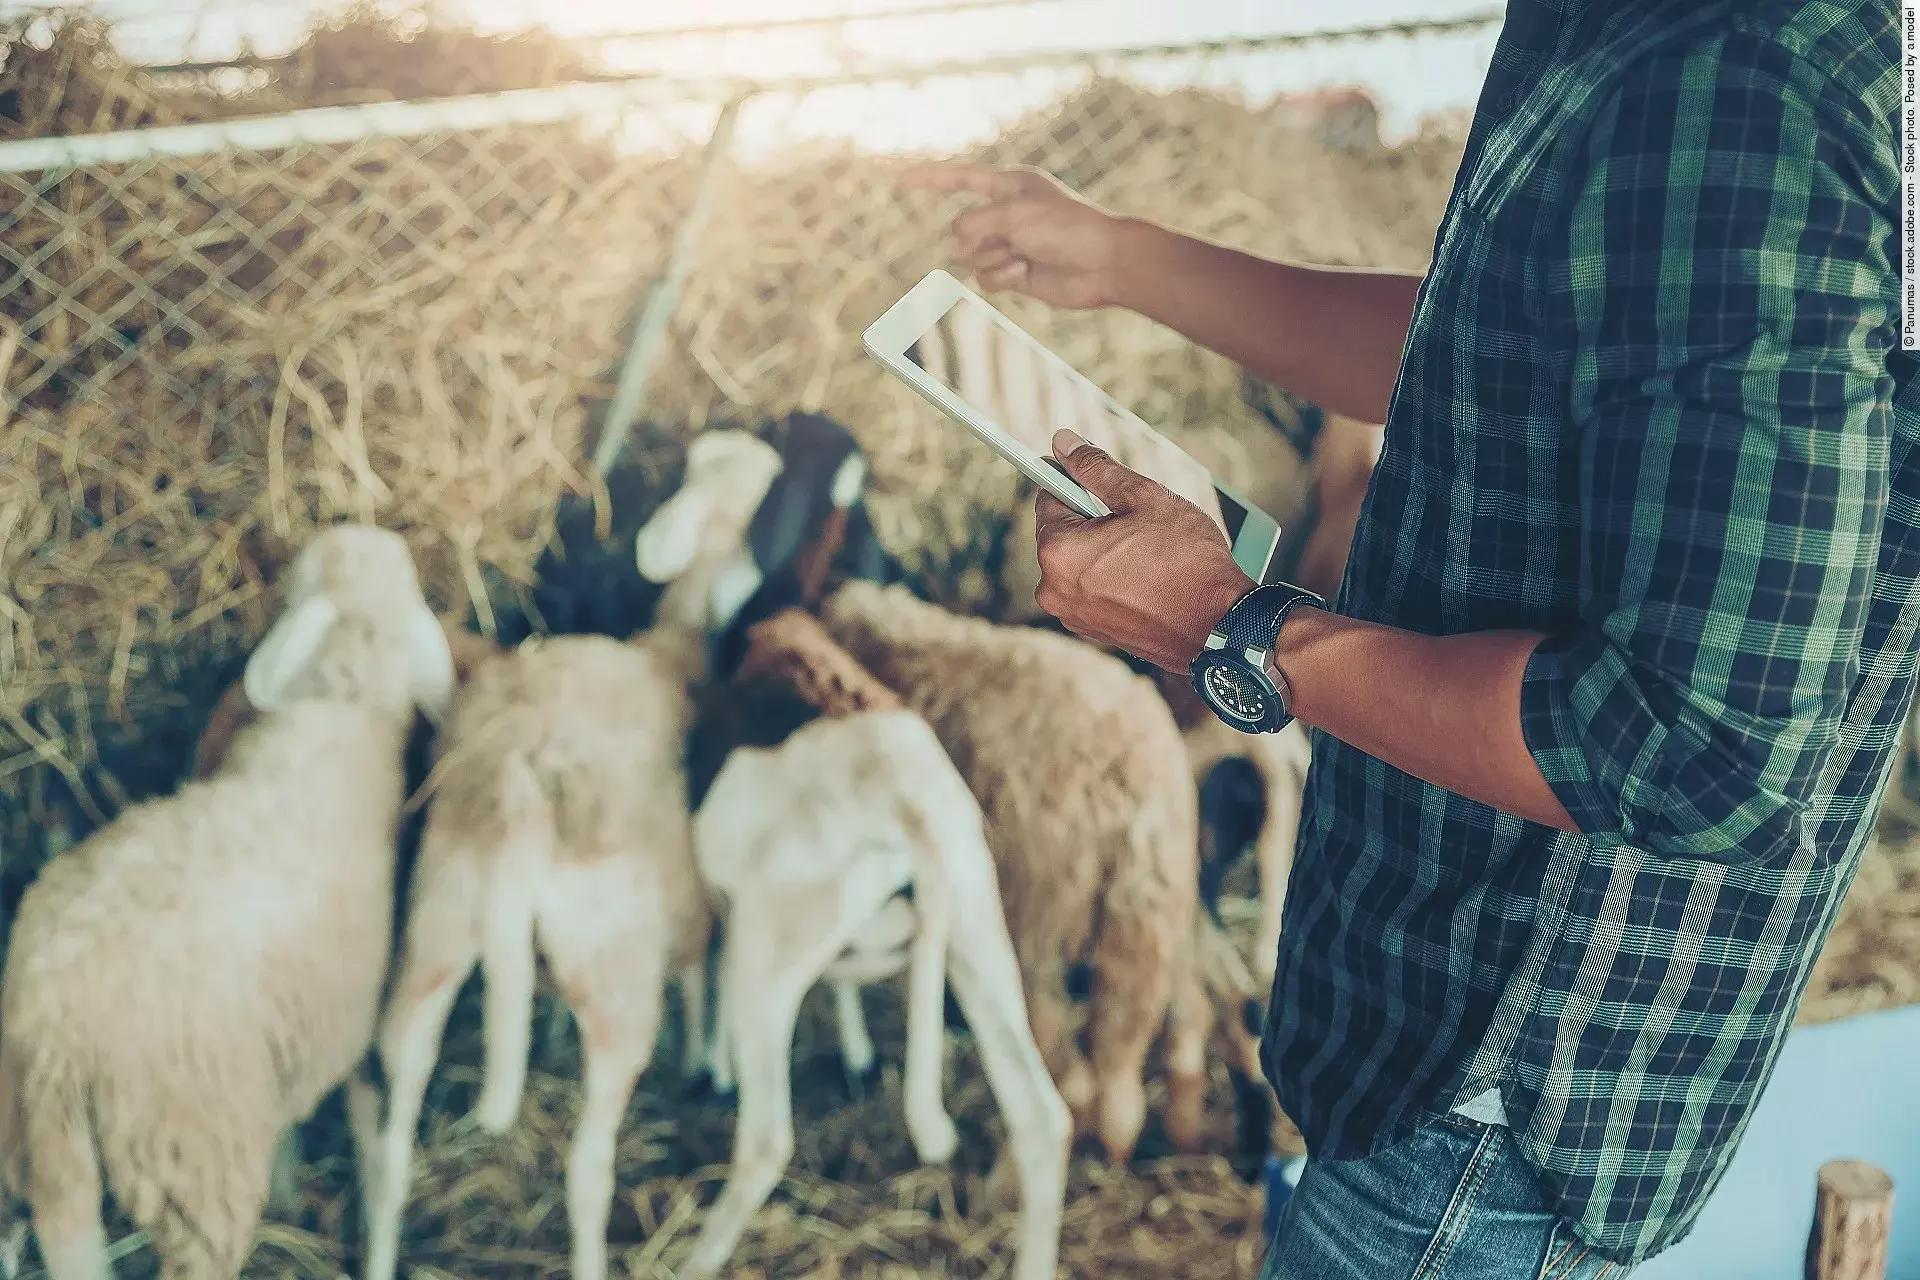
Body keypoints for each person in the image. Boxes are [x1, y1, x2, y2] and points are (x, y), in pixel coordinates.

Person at [901, 1, 1914, 1276]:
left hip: (1494, 1088)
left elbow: (1690, 744)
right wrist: (1123, 261)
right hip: (1447, 1051)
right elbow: (1514, 357)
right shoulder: (1717, 44)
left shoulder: (1747, 74)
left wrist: (1230, 625)